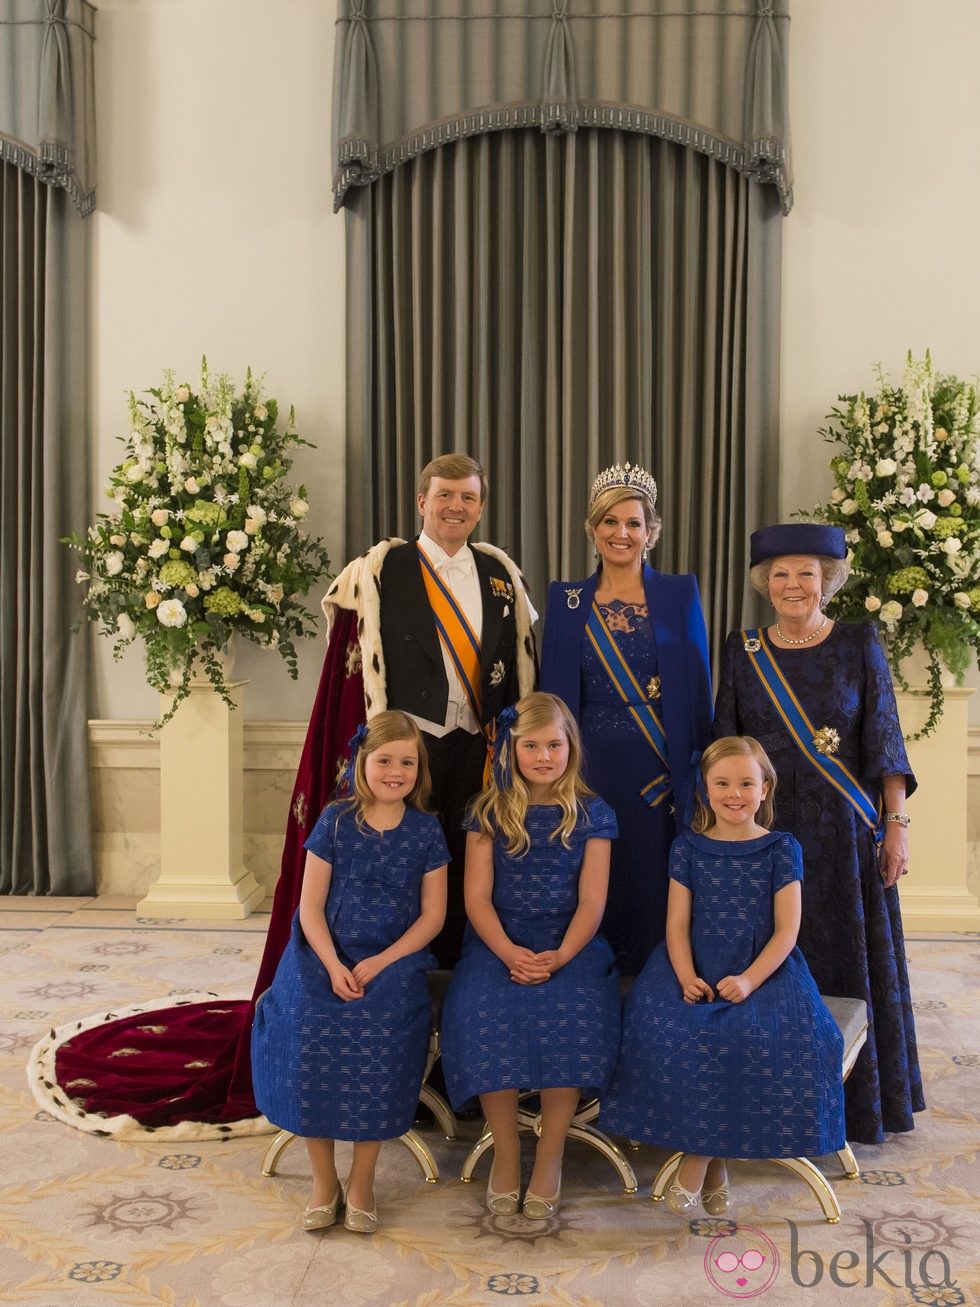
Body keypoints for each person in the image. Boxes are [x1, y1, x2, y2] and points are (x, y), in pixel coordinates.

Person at [712, 522, 922, 1145]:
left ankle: (857, 1108)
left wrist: (896, 827)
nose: (793, 584)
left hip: (845, 836)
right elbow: (725, 742)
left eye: (806, 572)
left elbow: (884, 735)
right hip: (768, 834)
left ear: (827, 579)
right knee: (773, 963)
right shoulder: (743, 648)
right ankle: (768, 1104)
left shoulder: (859, 640)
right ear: (764, 584)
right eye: (780, 573)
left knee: (847, 963)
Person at [601, 737, 845, 1216]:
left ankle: (697, 1161)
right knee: (666, 1031)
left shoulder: (781, 848)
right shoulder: (688, 847)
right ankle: (715, 1166)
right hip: (692, 962)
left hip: (765, 969)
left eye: (746, 783)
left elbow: (787, 930)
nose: (735, 793)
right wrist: (687, 974)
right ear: (704, 789)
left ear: (765, 787)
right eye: (722, 783)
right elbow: (675, 924)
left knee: (762, 1037)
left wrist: (751, 980)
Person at [251, 711, 448, 1233]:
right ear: (363, 762)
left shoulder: (427, 831)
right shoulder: (335, 821)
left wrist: (383, 961)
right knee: (312, 1027)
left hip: (393, 957)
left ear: (418, 769)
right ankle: (324, 1180)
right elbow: (309, 907)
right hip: (321, 953)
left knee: (380, 1038)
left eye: (407, 762)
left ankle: (362, 1179)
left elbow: (434, 916)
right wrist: (333, 964)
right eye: (384, 760)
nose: (395, 771)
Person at [440, 692, 621, 1220]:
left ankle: (550, 1152)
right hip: (499, 941)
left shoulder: (593, 813)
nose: (544, 757)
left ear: (571, 748)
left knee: (572, 1014)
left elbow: (593, 900)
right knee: (484, 1011)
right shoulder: (487, 811)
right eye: (532, 746)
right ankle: (506, 1148)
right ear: (512, 751)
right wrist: (509, 953)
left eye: (555, 745)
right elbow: (475, 898)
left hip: (572, 944)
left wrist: (560, 955)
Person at [539, 463, 712, 975]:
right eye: (609, 522)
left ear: (651, 532)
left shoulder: (679, 594)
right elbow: (552, 698)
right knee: (592, 875)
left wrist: (696, 773)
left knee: (651, 879)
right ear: (593, 530)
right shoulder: (566, 599)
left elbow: (697, 689)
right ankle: (589, 980)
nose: (622, 533)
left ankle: (657, 983)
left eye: (633, 523)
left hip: (658, 768)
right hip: (590, 768)